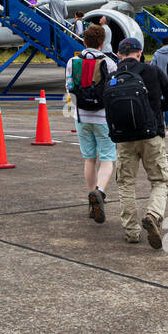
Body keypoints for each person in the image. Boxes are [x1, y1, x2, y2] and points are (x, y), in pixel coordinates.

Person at [107, 36, 168, 248]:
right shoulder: (153, 71)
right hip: (151, 135)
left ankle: (131, 232)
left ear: (119, 54)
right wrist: (154, 111)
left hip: (123, 137)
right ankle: (153, 215)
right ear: (139, 53)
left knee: (126, 183)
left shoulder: (113, 76)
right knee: (159, 180)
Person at [68, 25, 117, 224]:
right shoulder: (110, 63)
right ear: (102, 42)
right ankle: (100, 192)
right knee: (107, 158)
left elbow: (69, 88)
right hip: (103, 117)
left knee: (89, 159)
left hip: (81, 116)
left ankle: (91, 198)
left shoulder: (72, 62)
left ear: (84, 41)